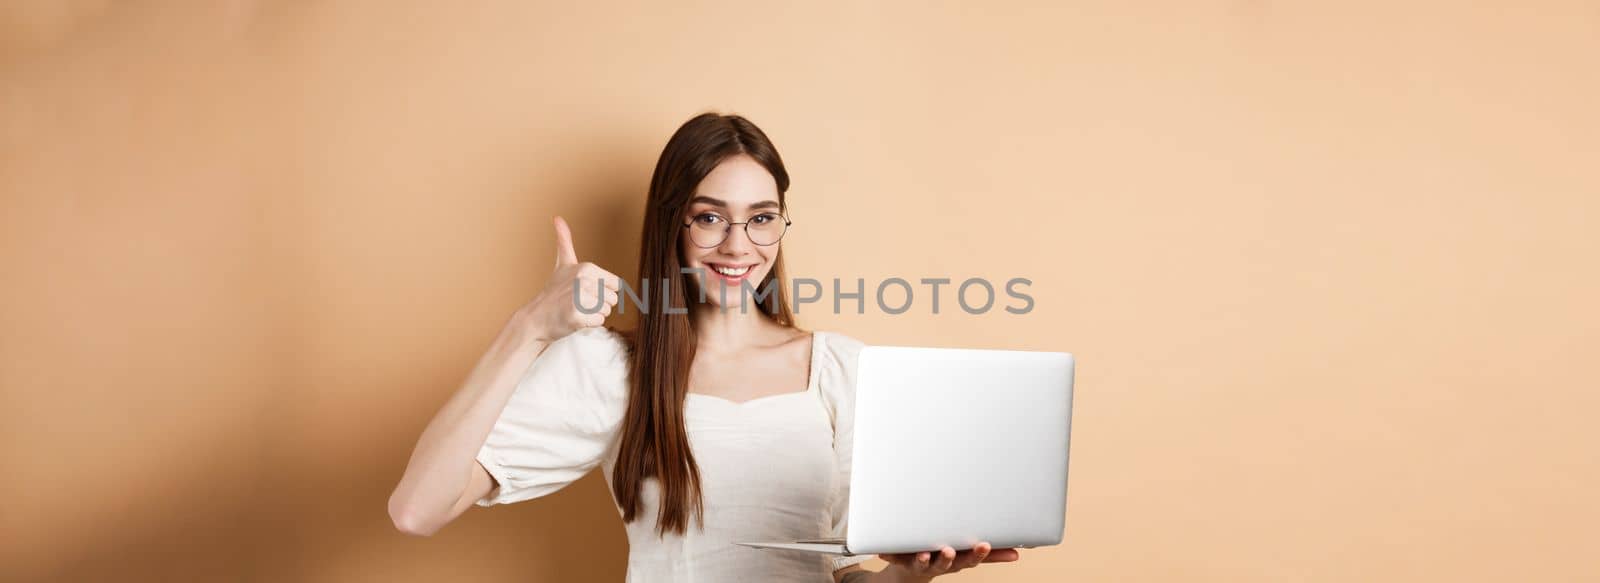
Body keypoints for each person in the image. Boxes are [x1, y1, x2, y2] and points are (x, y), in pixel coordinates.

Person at [387, 113, 1021, 582]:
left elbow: (844, 570)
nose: (739, 245)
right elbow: (418, 509)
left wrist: (908, 577)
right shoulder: (612, 370)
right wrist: (527, 327)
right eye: (711, 217)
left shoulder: (840, 368)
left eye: (762, 217)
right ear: (673, 224)